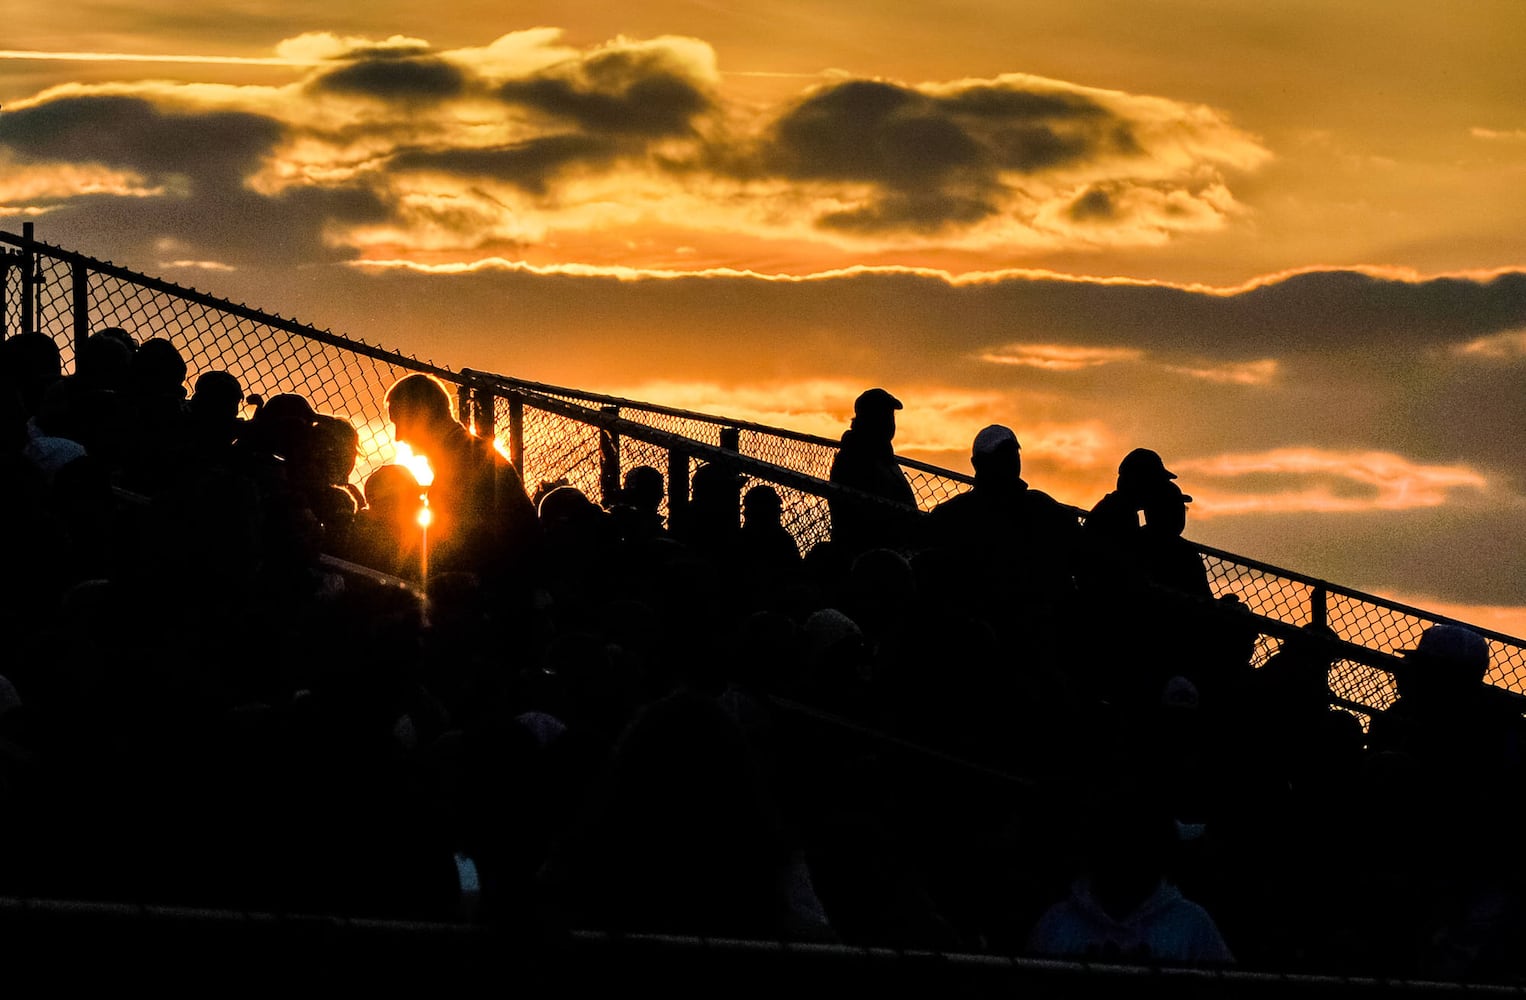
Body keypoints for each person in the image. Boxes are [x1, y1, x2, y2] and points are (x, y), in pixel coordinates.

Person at [384, 373, 537, 583]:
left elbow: (457, 549)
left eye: (399, 421)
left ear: (423, 414)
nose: (398, 436)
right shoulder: (467, 455)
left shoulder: (466, 462)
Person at [828, 388, 917, 557]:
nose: (890, 423)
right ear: (868, 419)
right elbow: (861, 515)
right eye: (884, 416)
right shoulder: (855, 456)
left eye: (891, 416)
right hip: (868, 552)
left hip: (894, 550)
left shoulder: (882, 454)